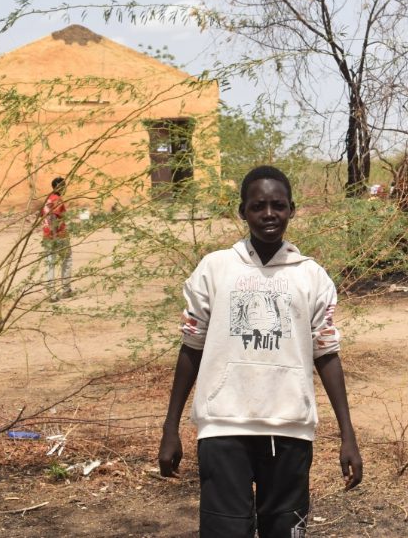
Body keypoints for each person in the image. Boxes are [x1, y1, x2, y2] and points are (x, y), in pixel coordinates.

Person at [158, 165, 363, 538]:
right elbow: (192, 347)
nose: (269, 214)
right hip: (223, 426)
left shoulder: (311, 275)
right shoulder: (215, 268)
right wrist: (170, 427)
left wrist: (348, 435)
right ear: (243, 212)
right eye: (258, 206)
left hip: (290, 428)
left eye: (278, 205)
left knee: (284, 530)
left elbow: (327, 352)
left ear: (292, 210)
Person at [41, 176, 73, 301]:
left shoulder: (47, 200)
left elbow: (42, 215)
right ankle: (66, 289)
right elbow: (54, 217)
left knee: (50, 264)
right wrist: (55, 235)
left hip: (46, 235)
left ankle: (51, 293)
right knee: (67, 259)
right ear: (60, 187)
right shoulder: (58, 200)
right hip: (58, 236)